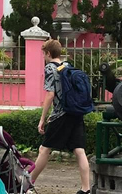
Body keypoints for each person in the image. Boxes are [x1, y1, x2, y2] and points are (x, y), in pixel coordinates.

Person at [31, 39, 90, 194]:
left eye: (44, 54)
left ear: (48, 53)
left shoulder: (50, 68)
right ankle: (86, 188)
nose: (43, 57)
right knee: (79, 150)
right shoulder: (67, 66)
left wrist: (43, 119)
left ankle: (28, 183)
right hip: (75, 112)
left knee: (44, 149)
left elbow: (50, 95)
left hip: (61, 114)